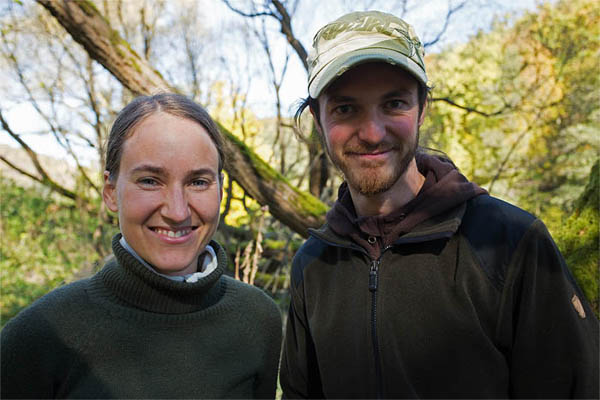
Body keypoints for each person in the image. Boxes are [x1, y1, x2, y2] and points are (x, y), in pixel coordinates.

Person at [280, 10, 599, 399]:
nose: (372, 132)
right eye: (345, 109)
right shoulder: (313, 265)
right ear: (318, 119)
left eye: (394, 104)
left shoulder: (509, 242)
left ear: (422, 108)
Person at [1, 93, 282, 399]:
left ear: (221, 190)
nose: (177, 211)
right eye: (150, 180)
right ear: (110, 192)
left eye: (198, 182)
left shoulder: (257, 319)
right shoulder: (43, 334)